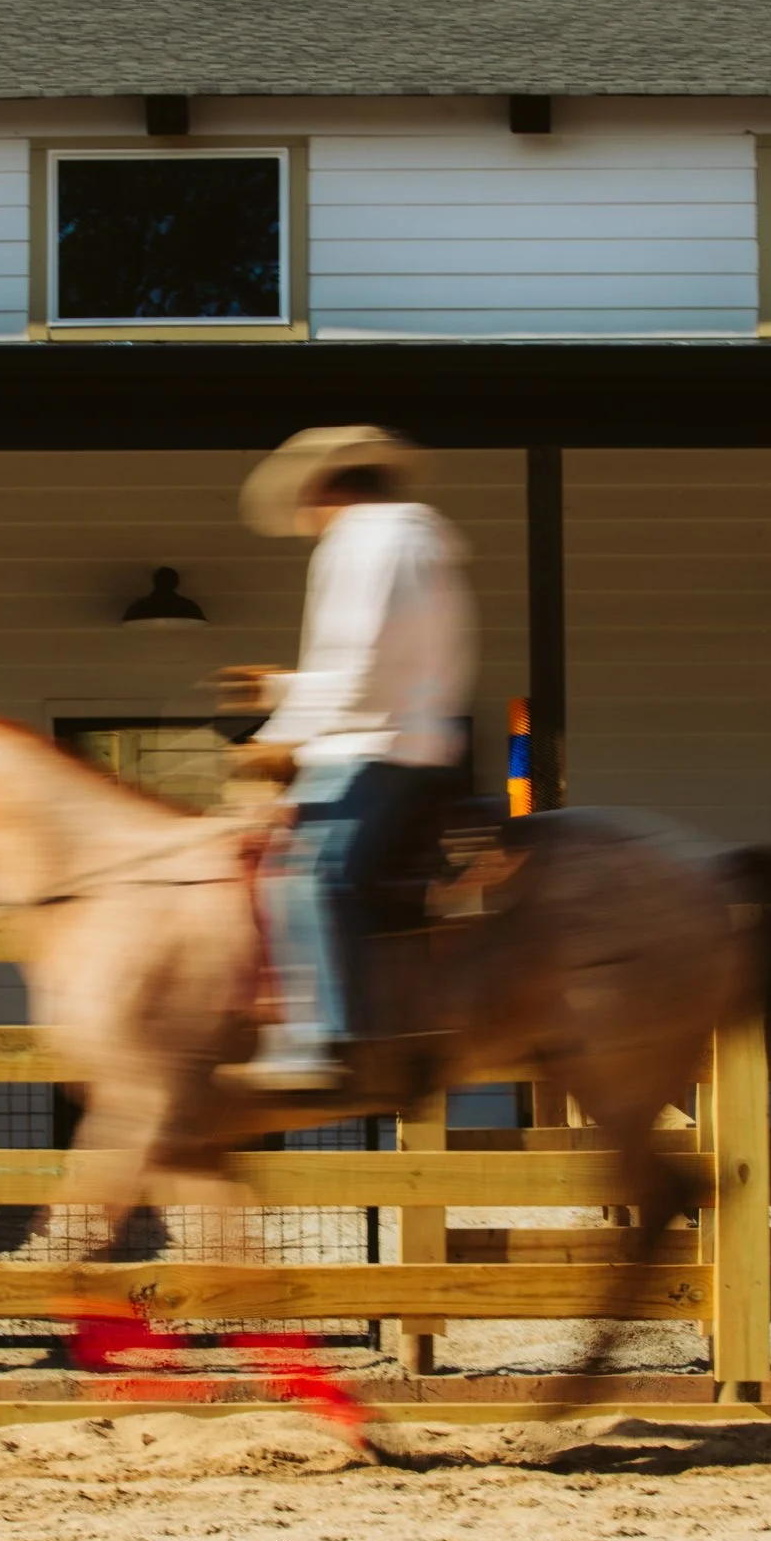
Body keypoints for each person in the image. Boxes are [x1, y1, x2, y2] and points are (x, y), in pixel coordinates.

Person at [217, 426, 478, 1090]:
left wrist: (282, 734)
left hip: (377, 748)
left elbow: (359, 666)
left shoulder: (368, 540)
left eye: (303, 502)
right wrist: (278, 689)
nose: (303, 519)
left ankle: (320, 1038)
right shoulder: (417, 539)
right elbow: (380, 667)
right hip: (407, 735)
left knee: (304, 873)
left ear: (327, 489)